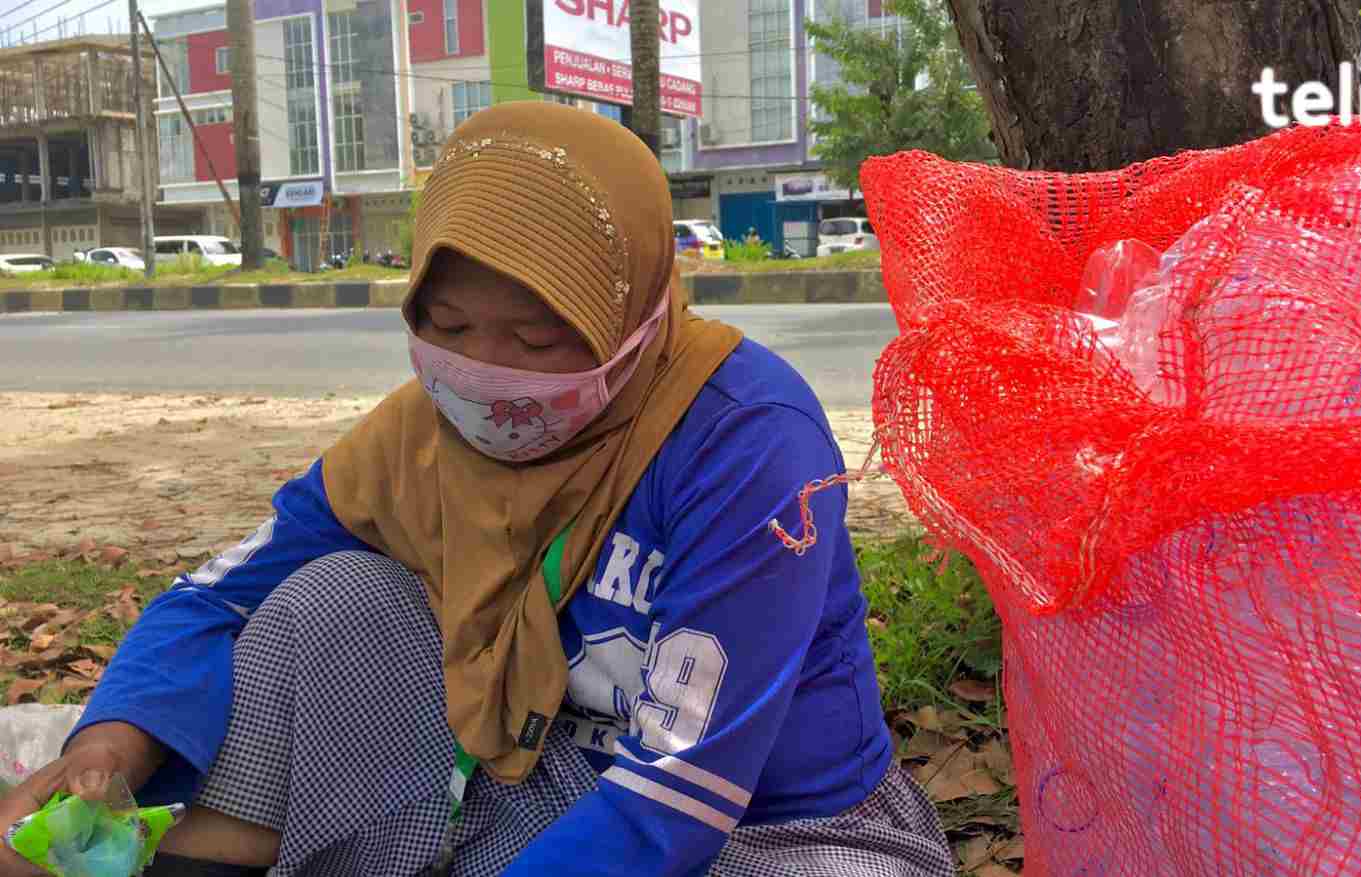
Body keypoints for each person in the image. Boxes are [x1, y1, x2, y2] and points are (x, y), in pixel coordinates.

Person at [0, 104, 954, 877]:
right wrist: (111, 746)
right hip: (534, 781)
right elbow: (220, 594)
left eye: (537, 342)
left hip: (768, 827)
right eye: (447, 325)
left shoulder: (747, 443)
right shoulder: (422, 431)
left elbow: (681, 792)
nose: (485, 375)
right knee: (333, 600)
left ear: (637, 310)